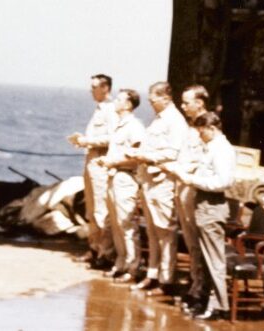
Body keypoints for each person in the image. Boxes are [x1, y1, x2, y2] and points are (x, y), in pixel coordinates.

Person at [165, 111, 235, 321]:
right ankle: (208, 301)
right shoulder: (211, 147)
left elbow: (223, 181)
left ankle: (219, 306)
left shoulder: (221, 149)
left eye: (202, 131)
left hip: (212, 206)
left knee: (214, 261)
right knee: (206, 260)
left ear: (212, 128)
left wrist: (190, 180)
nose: (199, 135)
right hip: (204, 206)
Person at [127, 81, 188, 294]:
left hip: (163, 182)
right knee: (152, 232)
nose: (151, 104)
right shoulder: (159, 119)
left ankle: (166, 279)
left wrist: (145, 156)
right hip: (149, 181)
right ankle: (152, 274)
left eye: (153, 100)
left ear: (165, 98)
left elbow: (173, 153)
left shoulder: (175, 122)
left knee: (165, 233)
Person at [95, 88, 145, 282]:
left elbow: (136, 159)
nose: (115, 101)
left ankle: (133, 266)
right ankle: (121, 262)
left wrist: (113, 162)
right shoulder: (120, 125)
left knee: (126, 223)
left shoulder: (134, 127)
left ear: (128, 104)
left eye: (119, 99)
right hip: (114, 177)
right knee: (116, 223)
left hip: (125, 178)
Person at [68, 73, 117, 270]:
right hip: (92, 161)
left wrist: (87, 141)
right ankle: (94, 247)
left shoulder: (111, 110)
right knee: (91, 208)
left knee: (100, 209)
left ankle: (104, 253)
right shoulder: (99, 110)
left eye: (94, 87)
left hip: (101, 163)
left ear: (105, 88)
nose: (91, 91)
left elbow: (111, 138)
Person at [169, 83, 210, 308]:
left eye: (186, 102)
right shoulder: (191, 126)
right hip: (182, 187)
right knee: (190, 241)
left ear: (199, 103)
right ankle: (195, 284)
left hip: (193, 189)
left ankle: (200, 289)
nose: (183, 106)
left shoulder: (207, 126)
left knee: (196, 241)